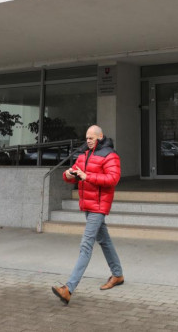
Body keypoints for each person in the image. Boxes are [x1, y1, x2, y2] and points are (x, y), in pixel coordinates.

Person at [51, 125, 124, 305]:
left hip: (99, 206)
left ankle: (68, 288)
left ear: (100, 137)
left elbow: (113, 179)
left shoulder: (110, 155)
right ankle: (118, 275)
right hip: (87, 204)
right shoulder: (84, 154)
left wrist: (87, 176)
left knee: (86, 245)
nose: (88, 140)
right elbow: (74, 174)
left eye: (91, 138)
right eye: (87, 138)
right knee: (104, 241)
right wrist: (68, 174)